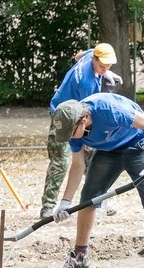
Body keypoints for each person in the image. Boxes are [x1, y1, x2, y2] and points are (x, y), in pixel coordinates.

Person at [48, 92, 144, 268]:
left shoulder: (110, 110)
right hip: (108, 151)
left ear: (83, 120)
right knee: (88, 199)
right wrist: (65, 202)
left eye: (70, 133)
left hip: (137, 144)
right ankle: (81, 256)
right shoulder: (74, 129)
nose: (69, 138)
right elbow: (78, 164)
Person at [40, 43, 122, 218]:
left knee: (91, 159)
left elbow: (78, 55)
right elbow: (88, 111)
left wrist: (105, 72)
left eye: (109, 65)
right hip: (62, 116)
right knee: (61, 161)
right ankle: (48, 206)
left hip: (77, 114)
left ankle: (97, 202)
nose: (106, 68)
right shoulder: (87, 84)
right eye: (102, 66)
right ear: (94, 59)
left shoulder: (91, 54)